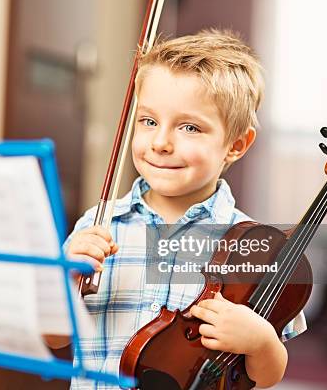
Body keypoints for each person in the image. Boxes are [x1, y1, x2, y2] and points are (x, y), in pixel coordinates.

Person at [47, 29, 306, 389]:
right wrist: (65, 281)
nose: (161, 142)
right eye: (149, 121)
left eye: (189, 127)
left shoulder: (258, 249)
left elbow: (267, 376)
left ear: (236, 144)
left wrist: (261, 341)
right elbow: (54, 338)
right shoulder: (98, 225)